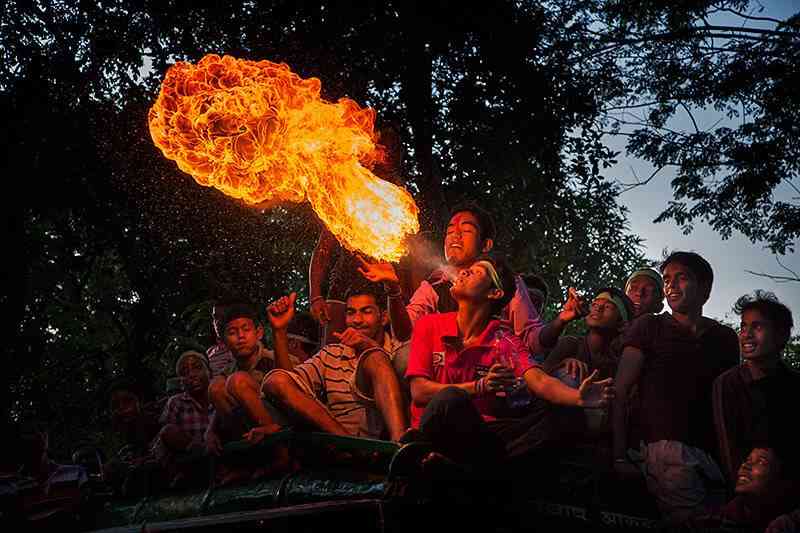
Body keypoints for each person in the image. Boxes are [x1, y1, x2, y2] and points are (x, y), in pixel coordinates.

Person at [406, 256, 614, 469]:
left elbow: (540, 381)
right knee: (450, 399)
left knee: (564, 415)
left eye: (477, 271)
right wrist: (480, 386)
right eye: (467, 270)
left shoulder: (503, 340)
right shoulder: (429, 325)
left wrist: (577, 397)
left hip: (482, 437)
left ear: (494, 293)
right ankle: (475, 469)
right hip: (436, 428)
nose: (463, 272)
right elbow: (419, 392)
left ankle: (468, 468)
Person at [612, 251, 739, 525]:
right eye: (667, 279)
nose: (671, 285)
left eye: (682, 278)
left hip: (710, 455)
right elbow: (620, 392)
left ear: (705, 288)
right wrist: (620, 457)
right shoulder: (650, 326)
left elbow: (727, 404)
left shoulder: (725, 338)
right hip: (663, 448)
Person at [358, 204, 577, 356]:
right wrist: (392, 289)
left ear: (486, 245)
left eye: (466, 230)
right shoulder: (434, 286)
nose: (455, 235)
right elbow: (404, 333)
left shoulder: (505, 284)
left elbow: (532, 340)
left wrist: (560, 321)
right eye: (450, 230)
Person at [263, 286, 408, 441]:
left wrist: (369, 347)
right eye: (351, 312)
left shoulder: (399, 351)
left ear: (384, 317)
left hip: (382, 437)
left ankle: (399, 445)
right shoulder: (331, 354)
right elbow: (289, 382)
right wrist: (279, 331)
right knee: (275, 380)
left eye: (366, 311)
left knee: (375, 357)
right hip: (337, 442)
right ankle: (350, 445)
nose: (357, 320)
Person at [713, 291, 799, 489]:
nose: (746, 334)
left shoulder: (793, 384)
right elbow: (728, 450)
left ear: (782, 334)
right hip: (743, 492)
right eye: (743, 327)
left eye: (757, 326)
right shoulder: (728, 383)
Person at [206, 302, 292, 454]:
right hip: (249, 428)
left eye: (246, 329)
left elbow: (290, 386)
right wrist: (210, 431)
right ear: (223, 342)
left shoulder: (273, 357)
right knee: (216, 387)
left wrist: (279, 331)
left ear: (258, 333)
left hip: (284, 423)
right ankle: (247, 459)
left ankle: (282, 453)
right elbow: (217, 400)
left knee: (237, 381)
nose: (240, 336)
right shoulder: (228, 370)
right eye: (232, 332)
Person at [691, 446, 800, 531]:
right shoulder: (715, 522)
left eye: (761, 462)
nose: (745, 465)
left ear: (781, 479)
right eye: (748, 459)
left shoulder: (790, 524)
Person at [543, 287, 634, 387]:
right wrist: (562, 365)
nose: (598, 308)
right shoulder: (570, 344)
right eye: (595, 304)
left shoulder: (617, 364)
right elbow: (539, 377)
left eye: (608, 307)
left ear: (622, 325)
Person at [153, 351, 213, 484]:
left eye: (197, 367)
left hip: (223, 455)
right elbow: (163, 438)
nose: (191, 375)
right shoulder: (176, 402)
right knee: (167, 430)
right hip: (193, 465)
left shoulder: (220, 393)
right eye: (184, 372)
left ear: (209, 371)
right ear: (181, 382)